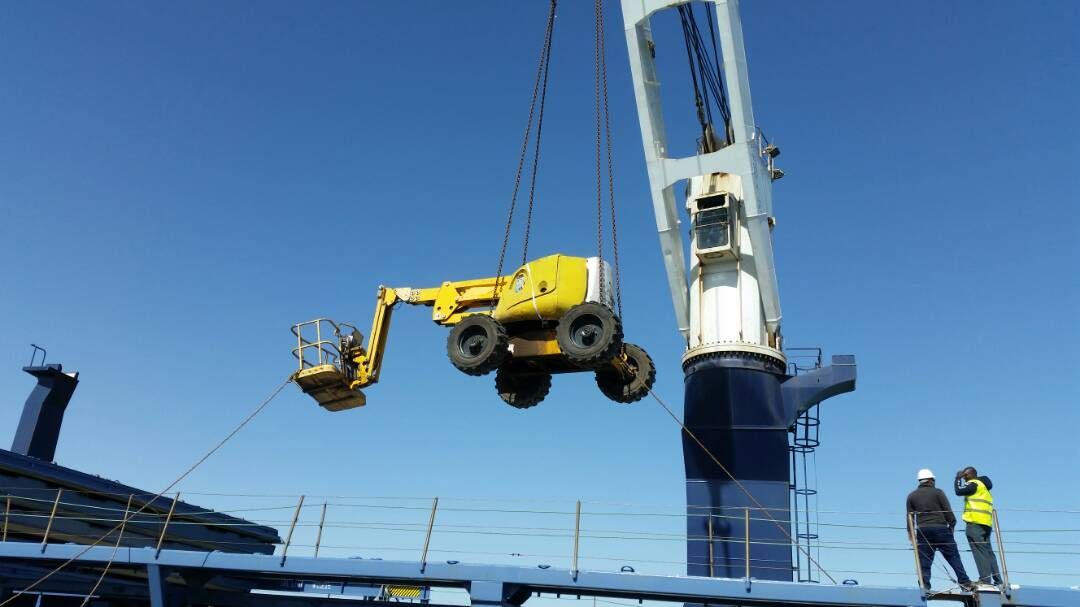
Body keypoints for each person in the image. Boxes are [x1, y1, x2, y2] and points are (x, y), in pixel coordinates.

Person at [906, 468, 974, 591]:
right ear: (931, 480)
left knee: (924, 560)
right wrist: (952, 525)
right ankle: (965, 582)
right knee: (953, 557)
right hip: (940, 528)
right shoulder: (938, 493)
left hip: (923, 530)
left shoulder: (911, 496)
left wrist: (911, 534)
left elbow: (910, 517)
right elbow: (947, 511)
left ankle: (924, 585)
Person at [955, 466, 1003, 587]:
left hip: (974, 523)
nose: (964, 477)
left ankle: (985, 580)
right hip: (986, 523)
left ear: (971, 474)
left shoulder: (973, 484)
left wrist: (957, 478)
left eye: (966, 475)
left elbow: (958, 491)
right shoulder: (984, 487)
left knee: (979, 552)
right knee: (988, 552)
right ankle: (998, 580)